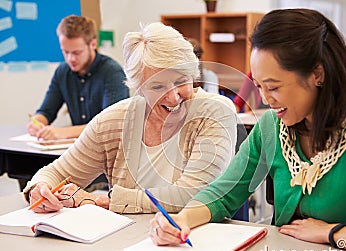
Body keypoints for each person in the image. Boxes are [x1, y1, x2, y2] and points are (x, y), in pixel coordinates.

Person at [149, 9, 346, 251]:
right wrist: (181, 220)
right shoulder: (271, 127)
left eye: (274, 87)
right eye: (258, 86)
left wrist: (333, 233)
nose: (266, 100)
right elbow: (223, 195)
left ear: (317, 74)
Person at [23, 22, 237, 215]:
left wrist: (102, 201)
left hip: (196, 242)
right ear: (139, 88)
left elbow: (192, 195)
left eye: (181, 81)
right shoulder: (114, 120)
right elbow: (56, 173)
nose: (173, 96)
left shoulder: (216, 112)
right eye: (157, 86)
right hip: (126, 243)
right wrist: (39, 189)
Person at [26, 15, 129, 140]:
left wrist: (64, 132)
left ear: (93, 44)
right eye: (66, 52)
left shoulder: (112, 72)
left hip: (108, 149)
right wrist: (37, 122)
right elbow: (46, 111)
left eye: (77, 52)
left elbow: (110, 125)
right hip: (79, 148)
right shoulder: (62, 72)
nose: (71, 59)